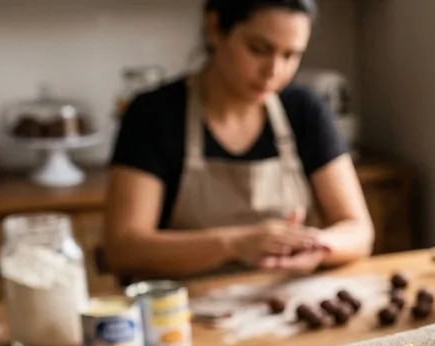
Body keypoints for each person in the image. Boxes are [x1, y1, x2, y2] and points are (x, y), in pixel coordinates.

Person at [103, 0, 373, 279]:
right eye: (259, 49)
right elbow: (124, 248)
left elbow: (358, 231)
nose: (274, 71)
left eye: (290, 55)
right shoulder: (154, 115)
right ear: (214, 28)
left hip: (288, 303)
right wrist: (234, 244)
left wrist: (317, 246)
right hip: (181, 312)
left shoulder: (305, 111)